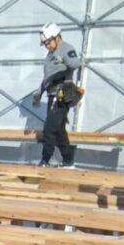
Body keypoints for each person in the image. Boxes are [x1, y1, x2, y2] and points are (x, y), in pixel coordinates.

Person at [32, 22, 81, 168]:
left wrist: (64, 59)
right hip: (52, 94)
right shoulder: (50, 55)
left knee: (49, 128)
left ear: (57, 37)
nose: (47, 46)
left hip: (63, 94)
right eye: (45, 44)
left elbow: (76, 63)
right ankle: (68, 161)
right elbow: (48, 76)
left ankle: (45, 160)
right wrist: (39, 92)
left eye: (48, 42)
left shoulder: (66, 48)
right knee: (59, 130)